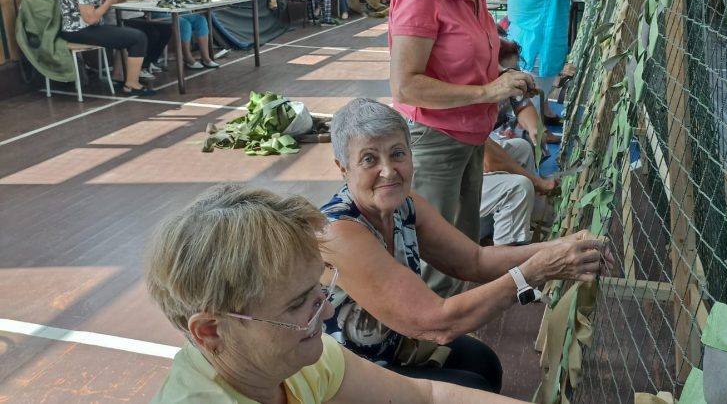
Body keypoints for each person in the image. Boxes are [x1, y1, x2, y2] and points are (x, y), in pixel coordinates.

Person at [319, 98, 613, 392]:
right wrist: (534, 272)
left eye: (397, 154)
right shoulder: (340, 232)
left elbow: (474, 260)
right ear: (342, 168)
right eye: (369, 159)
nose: (388, 171)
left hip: (393, 346)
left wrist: (558, 247)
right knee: (470, 385)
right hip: (349, 371)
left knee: (483, 363)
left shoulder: (405, 206)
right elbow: (435, 323)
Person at [145, 184, 531, 404]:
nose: (327, 310)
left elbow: (426, 395)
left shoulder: (293, 357)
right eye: (298, 303)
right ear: (210, 331)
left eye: (318, 288)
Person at [388, 0, 537, 297]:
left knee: (463, 250)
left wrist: (502, 63)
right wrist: (488, 92)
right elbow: (407, 86)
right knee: (439, 261)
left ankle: (451, 339)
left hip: (469, 138)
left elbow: (463, 54)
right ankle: (430, 350)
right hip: (435, 141)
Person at [482, 38, 559, 246]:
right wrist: (537, 182)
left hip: (476, 156)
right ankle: (507, 258)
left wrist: (536, 130)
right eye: (508, 71)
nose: (516, 76)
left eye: (516, 69)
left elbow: (523, 107)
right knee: (520, 186)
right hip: (458, 173)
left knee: (523, 148)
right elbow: (489, 159)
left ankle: (527, 221)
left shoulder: (508, 82)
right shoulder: (477, 92)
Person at [57, 0, 155, 96]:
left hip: (69, 30)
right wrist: (108, 3)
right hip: (83, 30)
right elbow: (90, 18)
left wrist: (99, 0)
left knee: (127, 33)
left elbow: (76, 4)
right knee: (138, 37)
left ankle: (122, 76)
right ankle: (132, 84)